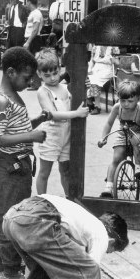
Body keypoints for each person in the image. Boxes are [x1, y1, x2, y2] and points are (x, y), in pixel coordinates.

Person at [0, 47, 52, 279]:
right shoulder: (3, 99)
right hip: (6, 167)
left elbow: (15, 129)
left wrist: (37, 121)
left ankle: (4, 261)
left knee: (10, 214)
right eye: (27, 77)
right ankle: (11, 271)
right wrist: (31, 137)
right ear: (11, 72)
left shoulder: (12, 95)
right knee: (8, 218)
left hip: (16, 166)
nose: (30, 82)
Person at [35, 48, 89, 197]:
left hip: (66, 134)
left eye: (55, 73)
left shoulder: (65, 88)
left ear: (60, 69)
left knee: (65, 170)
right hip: (51, 135)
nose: (52, 78)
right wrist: (76, 114)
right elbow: (52, 114)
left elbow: (79, 101)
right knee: (45, 172)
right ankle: (42, 199)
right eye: (47, 75)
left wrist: (85, 86)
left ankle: (69, 199)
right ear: (39, 74)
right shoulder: (43, 91)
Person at [99, 80, 140, 198]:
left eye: (130, 101)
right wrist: (103, 138)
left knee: (136, 139)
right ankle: (108, 187)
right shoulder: (117, 107)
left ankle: (138, 166)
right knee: (116, 158)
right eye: (122, 100)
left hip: (137, 133)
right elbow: (109, 123)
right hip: (123, 134)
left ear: (138, 99)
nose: (126, 104)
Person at [87, 45, 120, 115]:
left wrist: (114, 60)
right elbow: (92, 60)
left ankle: (97, 106)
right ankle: (89, 103)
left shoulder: (113, 47)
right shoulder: (95, 47)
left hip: (107, 69)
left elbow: (118, 63)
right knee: (86, 78)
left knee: (94, 80)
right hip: (96, 68)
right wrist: (89, 69)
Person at [24, 0, 44, 90]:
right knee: (30, 61)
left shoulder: (36, 13)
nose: (26, 4)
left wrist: (28, 41)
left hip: (34, 39)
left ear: (29, 2)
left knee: (33, 61)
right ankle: (32, 82)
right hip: (32, 39)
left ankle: (36, 84)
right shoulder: (33, 13)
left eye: (26, 2)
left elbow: (35, 29)